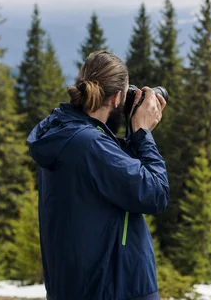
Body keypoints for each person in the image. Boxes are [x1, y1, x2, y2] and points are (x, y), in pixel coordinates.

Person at [27, 50, 169, 300]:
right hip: (114, 288)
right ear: (117, 99)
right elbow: (155, 193)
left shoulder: (67, 134)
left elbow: (112, 170)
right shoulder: (89, 145)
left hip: (85, 287)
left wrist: (135, 133)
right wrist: (143, 133)